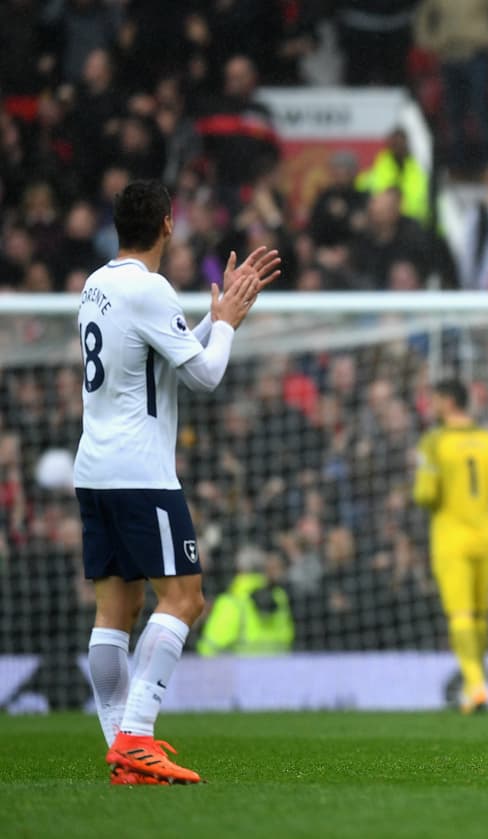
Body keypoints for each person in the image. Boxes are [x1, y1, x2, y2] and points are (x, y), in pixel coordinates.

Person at [76, 179, 281, 785]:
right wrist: (229, 325)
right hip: (141, 473)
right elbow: (205, 376)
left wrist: (212, 321)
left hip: (96, 469)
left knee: (117, 610)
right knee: (186, 598)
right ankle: (137, 735)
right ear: (169, 223)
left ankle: (123, 751)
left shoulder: (95, 285)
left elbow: (164, 359)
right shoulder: (151, 288)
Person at [413, 380, 488, 713]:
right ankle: (472, 687)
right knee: (480, 615)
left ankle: (476, 685)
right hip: (486, 537)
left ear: (448, 402)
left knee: (460, 614)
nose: (430, 406)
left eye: (434, 400)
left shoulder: (434, 442)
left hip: (451, 537)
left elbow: (424, 495)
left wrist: (429, 477)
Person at [196, 545, 295, 657]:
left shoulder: (230, 601)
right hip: (280, 665)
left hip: (240, 667)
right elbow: (288, 638)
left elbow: (208, 649)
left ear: (239, 570)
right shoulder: (280, 597)